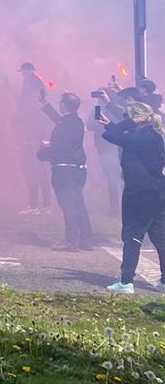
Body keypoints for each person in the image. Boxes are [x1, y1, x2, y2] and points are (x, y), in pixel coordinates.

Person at [100, 103, 165, 293]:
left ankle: (126, 281)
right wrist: (111, 123)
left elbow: (111, 137)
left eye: (128, 116)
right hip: (157, 193)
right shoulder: (154, 136)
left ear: (138, 118)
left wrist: (121, 123)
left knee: (132, 236)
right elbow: (118, 136)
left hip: (139, 194)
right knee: (160, 237)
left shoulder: (139, 137)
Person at [38, 92, 94, 251]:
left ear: (64, 105)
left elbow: (58, 147)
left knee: (68, 205)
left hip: (65, 170)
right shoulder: (74, 121)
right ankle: (86, 239)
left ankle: (71, 241)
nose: (59, 104)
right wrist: (45, 105)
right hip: (77, 169)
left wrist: (43, 152)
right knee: (78, 203)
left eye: (60, 102)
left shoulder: (67, 124)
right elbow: (59, 120)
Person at [16, 62, 53, 214]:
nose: (22, 74)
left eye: (23, 71)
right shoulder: (37, 83)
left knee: (32, 170)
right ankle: (45, 205)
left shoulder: (30, 82)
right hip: (39, 136)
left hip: (34, 139)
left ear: (27, 71)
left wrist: (25, 138)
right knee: (41, 171)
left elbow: (26, 102)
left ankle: (34, 205)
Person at [89, 89, 124, 217]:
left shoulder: (116, 108)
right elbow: (89, 125)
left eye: (101, 95)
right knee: (112, 179)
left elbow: (122, 123)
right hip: (105, 147)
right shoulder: (97, 109)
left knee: (119, 179)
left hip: (115, 147)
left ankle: (121, 208)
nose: (99, 98)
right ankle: (115, 209)